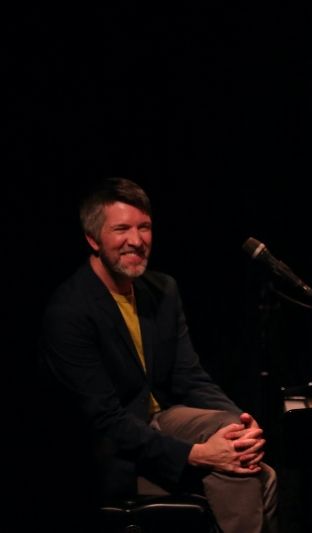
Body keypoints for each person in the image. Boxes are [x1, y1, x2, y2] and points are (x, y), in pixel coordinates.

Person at [39, 177, 279, 532]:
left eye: (144, 227)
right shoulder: (69, 311)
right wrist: (197, 454)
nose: (136, 240)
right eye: (121, 229)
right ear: (93, 239)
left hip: (162, 421)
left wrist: (242, 424)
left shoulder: (162, 289)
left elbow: (190, 377)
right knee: (252, 476)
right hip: (111, 454)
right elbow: (105, 422)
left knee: (241, 449)